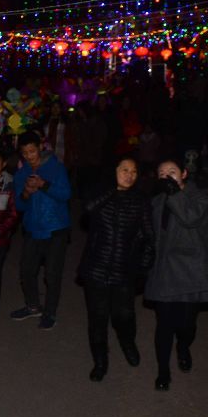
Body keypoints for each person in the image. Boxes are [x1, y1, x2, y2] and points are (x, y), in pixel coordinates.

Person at [76, 158, 154, 382]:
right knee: (98, 318)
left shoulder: (140, 200)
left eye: (134, 171)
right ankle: (100, 362)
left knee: (124, 316)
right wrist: (113, 190)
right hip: (96, 270)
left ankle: (127, 343)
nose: (129, 175)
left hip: (124, 271)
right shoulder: (102, 195)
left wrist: (142, 268)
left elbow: (150, 238)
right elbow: (88, 209)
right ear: (114, 172)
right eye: (124, 170)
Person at [145, 159, 208, 390]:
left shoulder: (199, 197)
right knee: (163, 325)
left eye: (171, 172)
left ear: (183, 174)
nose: (166, 177)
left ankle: (183, 347)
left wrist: (174, 195)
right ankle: (163, 371)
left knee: (186, 325)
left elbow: (191, 218)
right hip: (164, 270)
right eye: (161, 173)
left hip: (190, 270)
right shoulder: (157, 200)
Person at [11, 131, 72, 329]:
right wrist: (27, 193)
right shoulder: (21, 174)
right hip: (32, 228)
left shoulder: (55, 167)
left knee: (52, 274)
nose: (29, 155)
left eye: (32, 150)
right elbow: (19, 206)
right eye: (25, 152)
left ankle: (50, 312)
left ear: (40, 148)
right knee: (27, 270)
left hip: (56, 228)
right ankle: (33, 306)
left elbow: (65, 194)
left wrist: (44, 184)